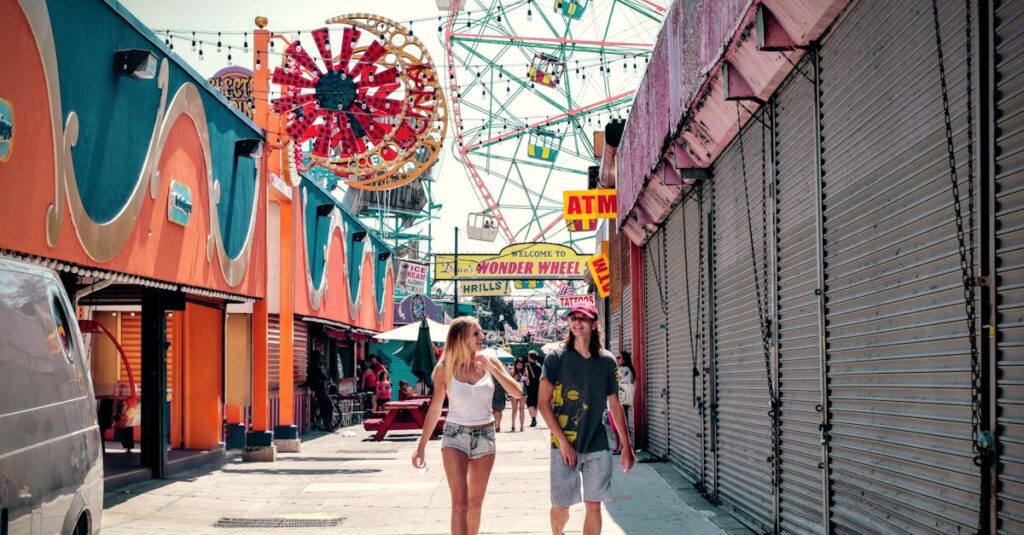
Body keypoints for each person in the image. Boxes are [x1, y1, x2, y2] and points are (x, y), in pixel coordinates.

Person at [412, 317, 523, 535]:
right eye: (476, 333)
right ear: (461, 338)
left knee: (474, 506)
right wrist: (421, 446)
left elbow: (517, 393)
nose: (482, 337)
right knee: (460, 505)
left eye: (481, 333)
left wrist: (493, 369)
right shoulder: (445, 368)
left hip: (485, 436)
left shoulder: (490, 361)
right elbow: (435, 409)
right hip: (455, 435)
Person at [538, 301, 634, 535]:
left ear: (594, 324)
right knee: (561, 507)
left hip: (597, 444)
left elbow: (614, 403)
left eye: (583, 318)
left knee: (594, 505)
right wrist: (562, 442)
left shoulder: (607, 361)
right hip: (563, 445)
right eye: (573, 318)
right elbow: (542, 403)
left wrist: (626, 446)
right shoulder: (556, 357)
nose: (577, 322)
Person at [611, 351, 636, 454]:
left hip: (622, 398)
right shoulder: (627, 369)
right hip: (624, 398)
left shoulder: (624, 369)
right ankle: (622, 446)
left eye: (618, 357)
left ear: (624, 360)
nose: (616, 359)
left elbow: (613, 378)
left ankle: (623, 447)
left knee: (621, 423)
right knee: (622, 421)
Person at [525, 350, 542, 427]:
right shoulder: (539, 366)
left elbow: (525, 376)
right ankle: (535, 417)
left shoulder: (526, 366)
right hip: (538, 387)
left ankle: (533, 418)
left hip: (529, 387)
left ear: (530, 357)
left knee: (530, 404)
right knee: (536, 403)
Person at [510, 360, 528, 432]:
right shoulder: (512, 372)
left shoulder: (525, 372)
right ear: (515, 365)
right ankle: (513, 425)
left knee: (522, 409)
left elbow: (528, 383)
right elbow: (510, 382)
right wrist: (514, 378)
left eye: (521, 365)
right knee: (514, 410)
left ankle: (522, 426)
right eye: (518, 365)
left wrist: (526, 379)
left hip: (523, 391)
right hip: (514, 391)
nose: (519, 366)